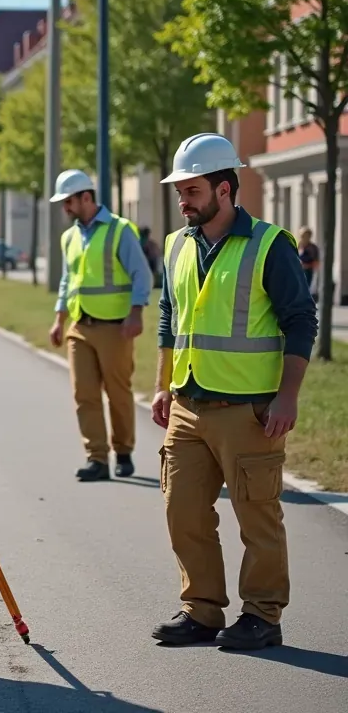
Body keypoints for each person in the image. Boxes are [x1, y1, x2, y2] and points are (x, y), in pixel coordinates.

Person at [149, 132, 316, 650]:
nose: (183, 200)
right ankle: (201, 610)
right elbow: (169, 318)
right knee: (183, 511)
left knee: (256, 517)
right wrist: (162, 386)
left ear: (224, 189)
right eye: (180, 190)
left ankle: (263, 616)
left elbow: (301, 321)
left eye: (192, 190)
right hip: (187, 403)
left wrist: (287, 397)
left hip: (249, 411)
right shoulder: (178, 245)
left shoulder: (270, 244)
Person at [47, 169, 153, 481]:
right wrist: (59, 318)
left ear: (87, 197)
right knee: (84, 394)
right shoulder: (69, 237)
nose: (65, 208)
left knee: (118, 392)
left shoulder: (120, 230)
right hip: (80, 326)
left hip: (114, 327)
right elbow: (69, 280)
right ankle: (96, 458)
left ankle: (123, 451)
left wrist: (135, 314)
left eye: (69, 201)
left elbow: (141, 275)